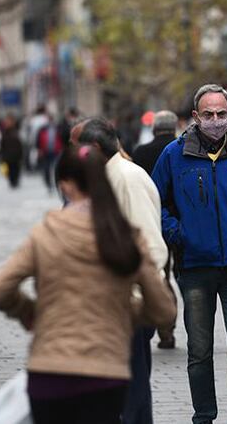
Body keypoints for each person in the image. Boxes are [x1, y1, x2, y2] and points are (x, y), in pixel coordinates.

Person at [0, 145, 175, 424]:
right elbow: (164, 311)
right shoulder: (125, 236)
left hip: (49, 371)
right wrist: (126, 313)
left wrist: (30, 311)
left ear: (64, 185)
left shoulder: (45, 234)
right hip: (106, 373)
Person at [151, 84, 227, 424]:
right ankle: (204, 414)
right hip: (195, 266)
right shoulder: (174, 156)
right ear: (195, 117)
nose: (215, 120)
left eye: (221, 114)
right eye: (208, 115)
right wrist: (177, 233)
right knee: (199, 350)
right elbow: (155, 201)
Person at [76, 117, 170, 424]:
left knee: (132, 393)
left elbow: (150, 246)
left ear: (93, 148)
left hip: (130, 302)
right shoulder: (107, 177)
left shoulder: (127, 178)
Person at [131, 110, 181, 350]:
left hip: (151, 221)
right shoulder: (183, 149)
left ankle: (164, 329)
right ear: (174, 128)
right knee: (178, 275)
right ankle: (170, 324)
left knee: (160, 273)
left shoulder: (141, 152)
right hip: (179, 222)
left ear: (154, 129)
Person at [36, 117, 64, 193]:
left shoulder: (58, 128)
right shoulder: (42, 129)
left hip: (56, 151)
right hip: (46, 152)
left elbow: (62, 139)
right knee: (46, 169)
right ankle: (49, 184)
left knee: (56, 168)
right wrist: (39, 150)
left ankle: (57, 183)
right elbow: (38, 140)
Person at [0, 114, 24, 188]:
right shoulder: (4, 132)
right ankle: (12, 181)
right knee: (10, 169)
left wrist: (21, 153)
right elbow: (2, 144)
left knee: (16, 168)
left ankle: (15, 181)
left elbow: (20, 143)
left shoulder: (16, 131)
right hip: (7, 154)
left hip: (16, 154)